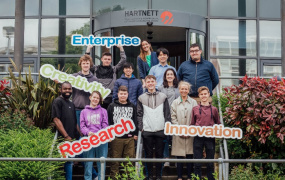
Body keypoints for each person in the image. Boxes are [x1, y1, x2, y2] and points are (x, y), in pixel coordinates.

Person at [137, 75, 171, 180]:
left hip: (160, 130)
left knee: (160, 154)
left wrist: (167, 127)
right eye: (148, 82)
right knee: (148, 155)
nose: (150, 83)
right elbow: (139, 114)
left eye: (152, 81)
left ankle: (158, 176)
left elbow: (167, 114)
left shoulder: (163, 96)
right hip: (147, 130)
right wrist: (140, 127)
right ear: (145, 84)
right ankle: (149, 175)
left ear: (156, 83)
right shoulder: (141, 98)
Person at [52, 81, 81, 180]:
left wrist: (81, 134)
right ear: (60, 90)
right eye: (65, 89)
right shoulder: (58, 101)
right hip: (63, 138)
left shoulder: (71, 104)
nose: (67, 91)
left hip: (72, 138)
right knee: (67, 162)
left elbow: (74, 121)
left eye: (69, 89)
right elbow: (56, 119)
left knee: (72, 160)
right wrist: (66, 136)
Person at [108, 85, 138, 179]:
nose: (123, 96)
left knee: (129, 162)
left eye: (125, 94)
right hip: (116, 138)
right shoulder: (112, 106)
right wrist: (109, 134)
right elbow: (108, 121)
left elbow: (135, 120)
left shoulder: (132, 106)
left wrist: (135, 133)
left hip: (129, 139)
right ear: (118, 94)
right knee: (115, 162)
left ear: (127, 95)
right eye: (121, 94)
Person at [191, 86, 221, 180]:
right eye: (201, 94)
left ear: (208, 95)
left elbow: (218, 123)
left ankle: (211, 178)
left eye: (205, 94)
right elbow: (192, 123)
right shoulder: (195, 109)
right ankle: (197, 178)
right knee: (197, 162)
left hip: (210, 137)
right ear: (199, 96)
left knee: (210, 162)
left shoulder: (214, 109)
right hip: (198, 137)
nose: (203, 96)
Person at [171, 81, 198, 180]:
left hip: (190, 133)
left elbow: (196, 117)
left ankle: (190, 176)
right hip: (178, 133)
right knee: (179, 156)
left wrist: (190, 130)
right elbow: (173, 117)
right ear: (179, 90)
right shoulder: (175, 102)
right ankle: (179, 177)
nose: (184, 90)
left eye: (186, 89)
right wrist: (180, 129)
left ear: (188, 90)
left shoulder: (193, 102)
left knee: (190, 156)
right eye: (182, 89)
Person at [86, 45, 126, 109]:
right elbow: (87, 60)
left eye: (109, 59)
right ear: (102, 59)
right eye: (105, 59)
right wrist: (88, 49)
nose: (107, 60)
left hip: (111, 97)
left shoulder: (114, 69)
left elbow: (123, 60)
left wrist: (121, 48)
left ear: (111, 60)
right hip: (98, 97)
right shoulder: (96, 68)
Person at [80, 91, 109, 180]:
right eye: (94, 97)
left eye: (97, 98)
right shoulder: (83, 111)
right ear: (90, 97)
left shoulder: (103, 111)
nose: (95, 99)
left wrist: (100, 134)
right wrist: (88, 133)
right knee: (88, 163)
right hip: (88, 140)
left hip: (101, 140)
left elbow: (105, 124)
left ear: (99, 100)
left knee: (102, 163)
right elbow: (82, 126)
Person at [157, 68, 180, 166]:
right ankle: (166, 158)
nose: (169, 76)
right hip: (164, 115)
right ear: (165, 77)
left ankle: (174, 157)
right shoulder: (161, 88)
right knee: (165, 137)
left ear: (174, 76)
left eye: (171, 74)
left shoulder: (178, 88)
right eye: (168, 75)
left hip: (176, 115)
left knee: (175, 137)